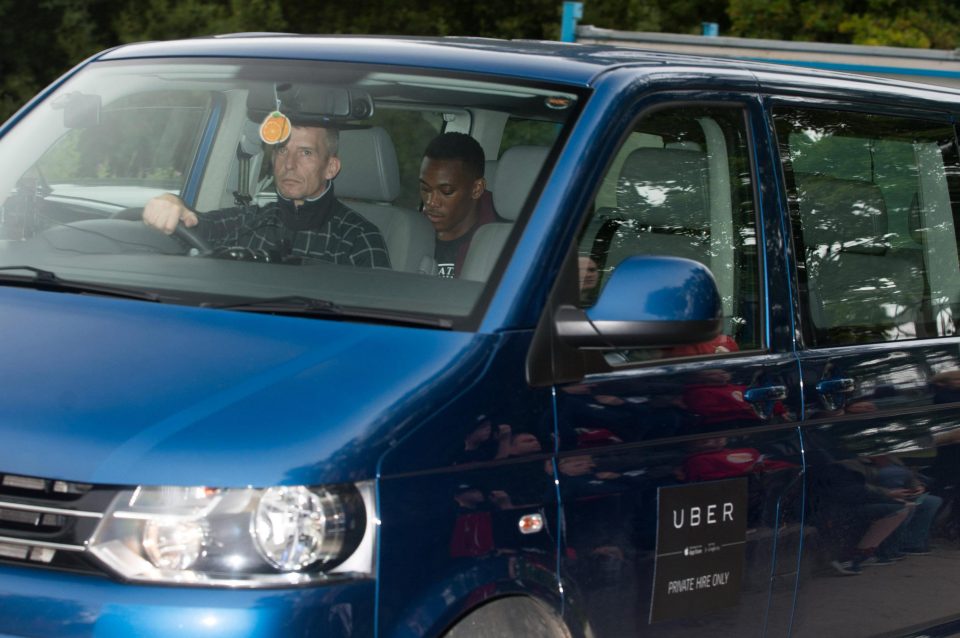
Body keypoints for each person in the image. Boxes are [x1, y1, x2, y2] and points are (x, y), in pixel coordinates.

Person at [143, 124, 391, 268]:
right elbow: (196, 226)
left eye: (305, 153)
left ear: (331, 168)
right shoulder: (249, 220)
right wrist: (171, 203)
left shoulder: (359, 238)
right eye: (282, 150)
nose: (289, 164)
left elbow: (381, 317)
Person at [419, 132, 501, 278]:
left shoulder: (500, 250)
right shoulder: (411, 235)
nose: (431, 202)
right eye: (425, 189)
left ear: (476, 189)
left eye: (446, 191)